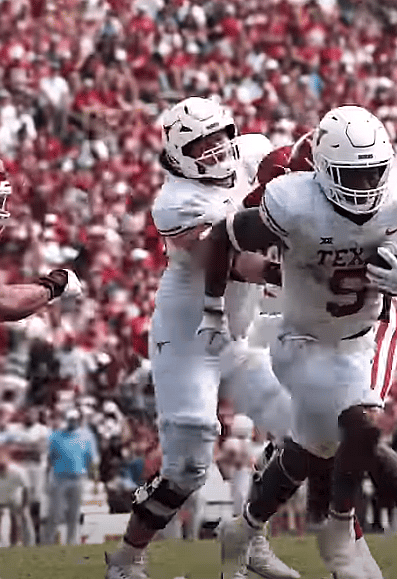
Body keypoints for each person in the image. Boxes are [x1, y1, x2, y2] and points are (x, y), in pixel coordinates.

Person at [202, 106, 397, 579]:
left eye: (372, 174)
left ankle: (385, 534)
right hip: (305, 333)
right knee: (327, 441)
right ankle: (318, 534)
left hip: (370, 327)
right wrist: (224, 301)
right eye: (351, 175)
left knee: (345, 432)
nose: (364, 186)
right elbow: (230, 241)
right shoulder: (289, 198)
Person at [103, 96, 300, 579]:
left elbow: (300, 159)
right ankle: (126, 560)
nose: (215, 151)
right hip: (187, 335)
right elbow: (231, 261)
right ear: (179, 152)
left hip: (238, 330)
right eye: (201, 144)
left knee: (300, 429)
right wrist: (293, 271)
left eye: (219, 138)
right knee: (188, 467)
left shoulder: (252, 152)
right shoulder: (176, 202)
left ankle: (249, 535)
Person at [47, 408, 96, 546]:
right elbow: (51, 457)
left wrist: (90, 474)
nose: (72, 422)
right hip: (60, 478)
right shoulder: (56, 436)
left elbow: (90, 458)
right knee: (55, 512)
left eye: (74, 420)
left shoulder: (87, 436)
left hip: (78, 478)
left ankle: (71, 542)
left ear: (79, 420)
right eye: (70, 420)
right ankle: (49, 542)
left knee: (74, 513)